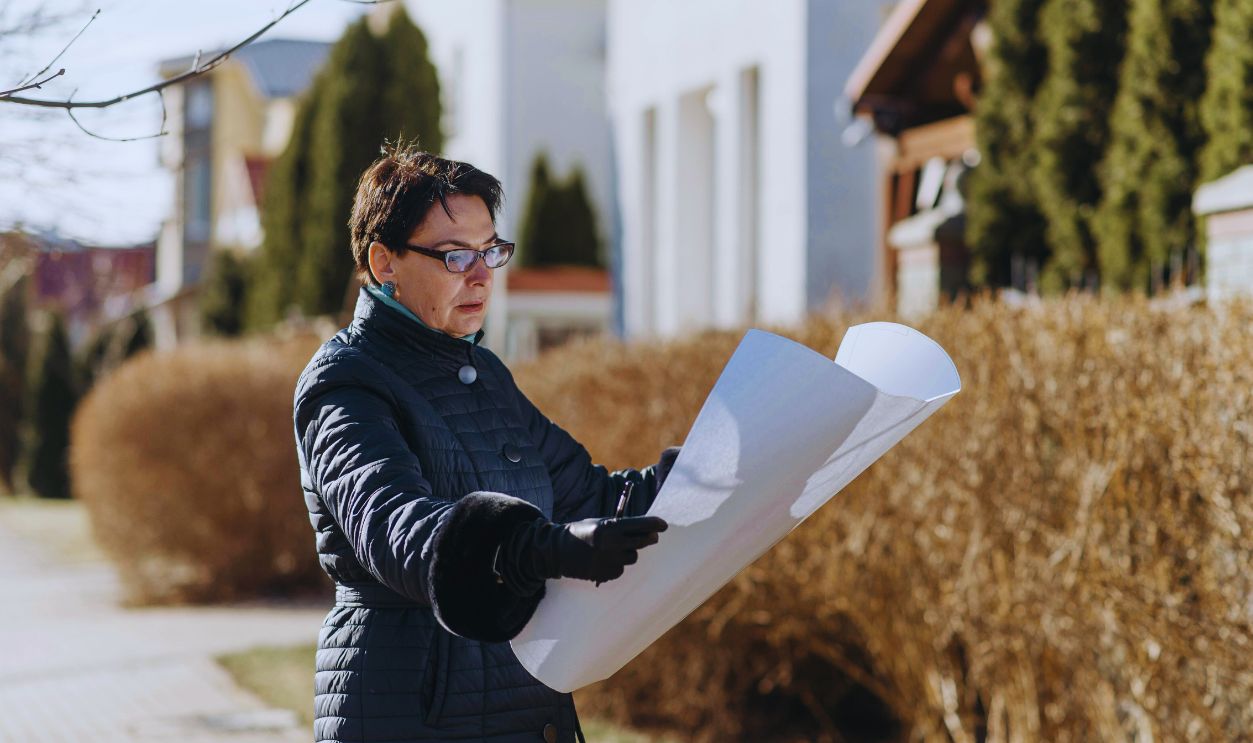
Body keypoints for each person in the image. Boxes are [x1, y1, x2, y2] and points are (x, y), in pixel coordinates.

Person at [293, 144, 677, 743]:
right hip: (411, 710)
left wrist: (709, 467)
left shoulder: (486, 376)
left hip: (517, 702)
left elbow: (588, 495)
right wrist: (538, 550)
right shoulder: (346, 382)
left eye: (490, 251)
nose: (481, 275)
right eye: (455, 256)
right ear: (383, 261)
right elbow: (401, 530)